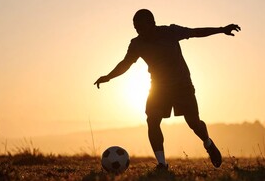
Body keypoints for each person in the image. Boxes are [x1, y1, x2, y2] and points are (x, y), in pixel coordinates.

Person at [94, 9, 241, 170]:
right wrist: (108, 76)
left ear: (152, 23)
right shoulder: (136, 43)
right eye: (136, 27)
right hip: (158, 88)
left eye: (141, 27)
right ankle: (162, 164)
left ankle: (208, 143)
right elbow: (126, 63)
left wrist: (221, 30)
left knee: (193, 123)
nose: (138, 30)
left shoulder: (170, 32)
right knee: (152, 120)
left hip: (182, 86)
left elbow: (195, 32)